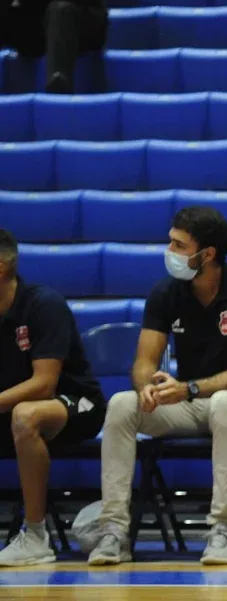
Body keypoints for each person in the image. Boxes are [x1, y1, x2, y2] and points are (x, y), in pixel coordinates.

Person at [89, 207, 227, 566]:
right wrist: (146, 387)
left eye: (179, 245)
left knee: (225, 401)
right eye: (170, 242)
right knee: (122, 404)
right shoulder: (166, 293)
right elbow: (144, 362)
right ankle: (113, 531)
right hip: (192, 404)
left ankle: (222, 530)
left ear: (207, 254)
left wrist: (188, 388)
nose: (169, 251)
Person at [0, 229, 107, 567]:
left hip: (76, 404)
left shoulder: (42, 304)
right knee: (19, 413)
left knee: (25, 415)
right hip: (8, 407)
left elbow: (44, 384)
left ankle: (35, 536)